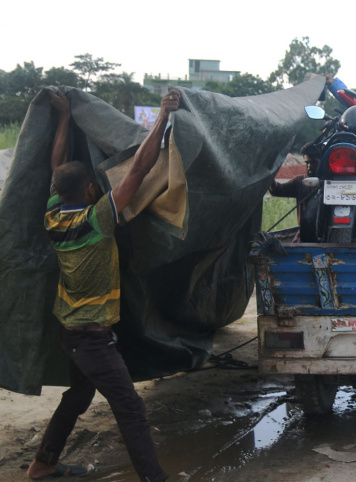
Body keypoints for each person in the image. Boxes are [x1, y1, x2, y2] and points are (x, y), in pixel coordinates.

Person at [29, 88, 177, 482]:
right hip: (92, 338)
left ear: (59, 192)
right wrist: (162, 117)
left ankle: (43, 464)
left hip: (70, 331)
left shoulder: (53, 216)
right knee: (130, 407)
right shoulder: (97, 220)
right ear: (92, 191)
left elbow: (56, 164)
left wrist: (63, 118)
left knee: (78, 396)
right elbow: (140, 169)